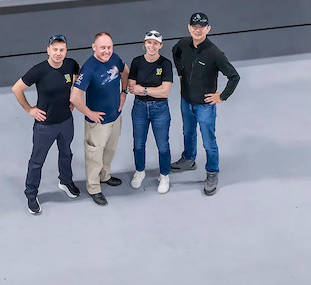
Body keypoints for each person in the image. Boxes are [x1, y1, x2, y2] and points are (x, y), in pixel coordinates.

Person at [170, 12, 240, 196]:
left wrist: (222, 96)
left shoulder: (214, 53)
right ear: (189, 27)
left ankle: (212, 172)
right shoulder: (183, 44)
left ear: (208, 29)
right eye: (194, 26)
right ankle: (189, 159)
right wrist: (180, 73)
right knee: (188, 131)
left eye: (201, 27)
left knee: (209, 141)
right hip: (186, 100)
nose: (197, 30)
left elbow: (234, 77)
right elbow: (175, 52)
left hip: (204, 106)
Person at [11, 34, 82, 215]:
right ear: (48, 50)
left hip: (66, 121)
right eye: (55, 49)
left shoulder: (70, 64)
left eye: (62, 50)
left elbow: (78, 76)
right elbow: (16, 88)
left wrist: (74, 99)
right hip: (45, 126)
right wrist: (29, 110)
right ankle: (31, 194)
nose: (58, 53)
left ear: (66, 51)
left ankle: (65, 181)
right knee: (37, 162)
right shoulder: (39, 70)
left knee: (66, 153)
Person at [70, 32, 128, 206]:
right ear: (94, 47)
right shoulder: (89, 68)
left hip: (115, 116)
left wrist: (124, 92)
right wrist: (89, 113)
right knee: (95, 154)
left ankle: (104, 176)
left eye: (109, 47)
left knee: (110, 150)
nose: (106, 51)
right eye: (102, 47)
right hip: (98, 122)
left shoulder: (115, 58)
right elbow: (74, 97)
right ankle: (93, 187)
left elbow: (125, 71)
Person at [127, 29, 174, 194]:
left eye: (155, 43)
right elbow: (132, 88)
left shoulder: (165, 64)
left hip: (160, 109)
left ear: (160, 45)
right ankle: (140, 171)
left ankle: (164, 175)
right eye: (149, 42)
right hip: (139, 108)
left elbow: (165, 92)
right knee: (138, 144)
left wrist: (144, 89)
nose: (152, 46)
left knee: (163, 146)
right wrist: (150, 89)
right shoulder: (137, 62)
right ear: (144, 44)